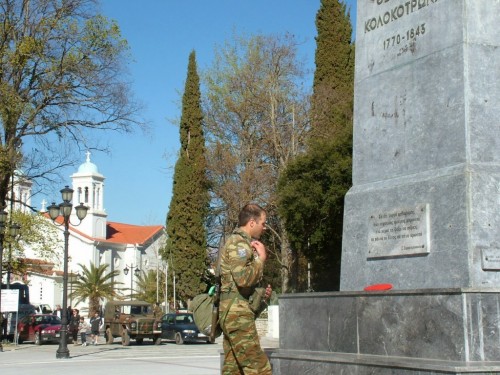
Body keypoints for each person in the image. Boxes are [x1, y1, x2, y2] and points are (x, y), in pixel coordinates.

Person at [219, 203, 273, 375]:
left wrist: (260, 295)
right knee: (259, 368)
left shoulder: (239, 243)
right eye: (263, 223)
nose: (264, 227)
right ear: (251, 223)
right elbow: (243, 279)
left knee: (233, 368)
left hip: (233, 313)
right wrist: (261, 259)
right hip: (237, 316)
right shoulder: (239, 244)